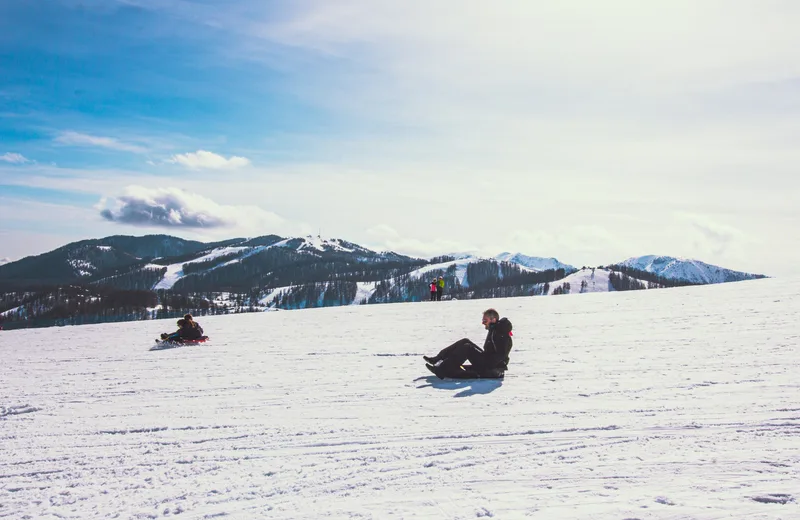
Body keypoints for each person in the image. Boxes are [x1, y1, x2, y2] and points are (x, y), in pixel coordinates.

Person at [423, 308, 513, 379]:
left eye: (485, 320)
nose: (483, 323)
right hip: (488, 361)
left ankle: (442, 370)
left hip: (492, 368)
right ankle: (438, 359)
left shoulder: (500, 333)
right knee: (465, 341)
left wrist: (484, 368)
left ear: (493, 320)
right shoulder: (495, 329)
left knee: (467, 348)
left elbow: (501, 355)